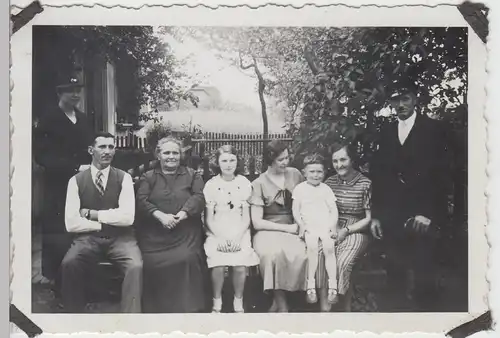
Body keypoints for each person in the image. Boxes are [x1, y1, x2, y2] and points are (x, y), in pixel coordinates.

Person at [370, 78, 450, 311]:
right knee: (395, 271)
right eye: (396, 100)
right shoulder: (386, 132)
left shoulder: (434, 130)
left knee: (425, 272)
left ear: (415, 99)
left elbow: (442, 176)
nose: (401, 105)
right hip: (393, 213)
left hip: (423, 214)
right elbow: (380, 175)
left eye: (405, 99)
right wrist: (376, 215)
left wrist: (427, 213)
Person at [61, 132, 143, 313]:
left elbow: (128, 217)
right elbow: (71, 223)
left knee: (135, 266)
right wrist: (107, 222)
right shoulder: (75, 181)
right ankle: (72, 318)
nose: (107, 151)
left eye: (111, 147)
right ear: (91, 150)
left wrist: (92, 214)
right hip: (88, 239)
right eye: (102, 147)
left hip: (121, 239)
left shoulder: (124, 178)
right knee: (70, 263)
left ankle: (132, 318)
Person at [33, 76, 93, 286]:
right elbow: (42, 156)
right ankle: (54, 278)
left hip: (81, 183)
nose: (76, 94)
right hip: (58, 184)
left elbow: (89, 148)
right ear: (59, 93)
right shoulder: (49, 119)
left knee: (79, 226)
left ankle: (78, 275)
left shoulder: (83, 118)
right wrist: (74, 167)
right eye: (70, 90)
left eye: (78, 90)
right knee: (57, 228)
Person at [136, 136, 207, 313]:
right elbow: (141, 200)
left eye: (175, 153)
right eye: (166, 152)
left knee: (187, 258)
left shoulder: (192, 175)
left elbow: (199, 197)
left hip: (185, 232)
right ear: (158, 155)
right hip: (155, 233)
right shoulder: (148, 176)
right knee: (150, 262)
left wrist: (182, 214)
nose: (171, 156)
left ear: (181, 155)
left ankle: (187, 309)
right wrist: (160, 215)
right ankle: (156, 310)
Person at [249, 140, 307, 312]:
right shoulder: (259, 184)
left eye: (287, 158)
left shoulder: (295, 175)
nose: (285, 162)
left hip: (295, 223)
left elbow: (309, 199)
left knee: (301, 253)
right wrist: (286, 229)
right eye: (281, 159)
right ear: (270, 159)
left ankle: (289, 298)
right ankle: (281, 302)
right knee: (270, 254)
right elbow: (257, 222)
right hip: (269, 228)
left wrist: (301, 224)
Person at [203, 145, 260, 313]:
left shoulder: (244, 183)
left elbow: (246, 217)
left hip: (239, 230)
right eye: (224, 161)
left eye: (232, 160)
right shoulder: (211, 185)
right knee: (218, 265)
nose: (228, 164)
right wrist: (220, 237)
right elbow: (208, 218)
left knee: (240, 265)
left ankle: (238, 300)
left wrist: (236, 237)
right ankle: (217, 301)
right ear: (217, 163)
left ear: (237, 162)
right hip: (216, 230)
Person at [323, 143, 372, 311]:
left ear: (352, 160)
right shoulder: (329, 182)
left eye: (343, 159)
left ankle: (340, 304)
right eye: (335, 161)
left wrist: (347, 230)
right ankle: (326, 306)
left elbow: (368, 218)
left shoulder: (365, 183)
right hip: (332, 226)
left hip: (356, 229)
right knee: (322, 256)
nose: (339, 165)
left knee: (343, 262)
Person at [292, 153, 339, 305]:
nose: (316, 175)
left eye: (319, 172)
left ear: (324, 172)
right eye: (312, 171)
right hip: (309, 225)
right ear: (304, 172)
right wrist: (301, 225)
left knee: (329, 247)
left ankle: (333, 286)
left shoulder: (326, 189)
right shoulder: (299, 189)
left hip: (324, 224)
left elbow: (333, 210)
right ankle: (310, 286)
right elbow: (296, 210)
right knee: (311, 248)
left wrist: (332, 226)